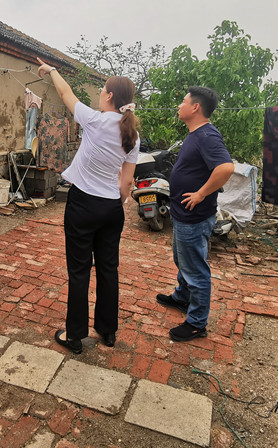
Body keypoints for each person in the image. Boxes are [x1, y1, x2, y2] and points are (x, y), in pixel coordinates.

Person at [36, 57, 140, 355]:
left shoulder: (95, 120)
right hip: (112, 208)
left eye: (102, 90)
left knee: (79, 270)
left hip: (83, 204)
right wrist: (116, 203)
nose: (100, 94)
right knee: (108, 269)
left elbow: (65, 93)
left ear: (110, 96)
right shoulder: (132, 135)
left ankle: (75, 335)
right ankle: (107, 331)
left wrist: (52, 70)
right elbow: (127, 182)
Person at [155, 87, 233, 342]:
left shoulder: (207, 135)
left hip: (195, 215)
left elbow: (225, 168)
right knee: (182, 260)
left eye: (183, 101)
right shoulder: (195, 134)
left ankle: (197, 323)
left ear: (196, 107)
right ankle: (182, 298)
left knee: (196, 270)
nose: (179, 105)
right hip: (183, 213)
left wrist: (200, 194)